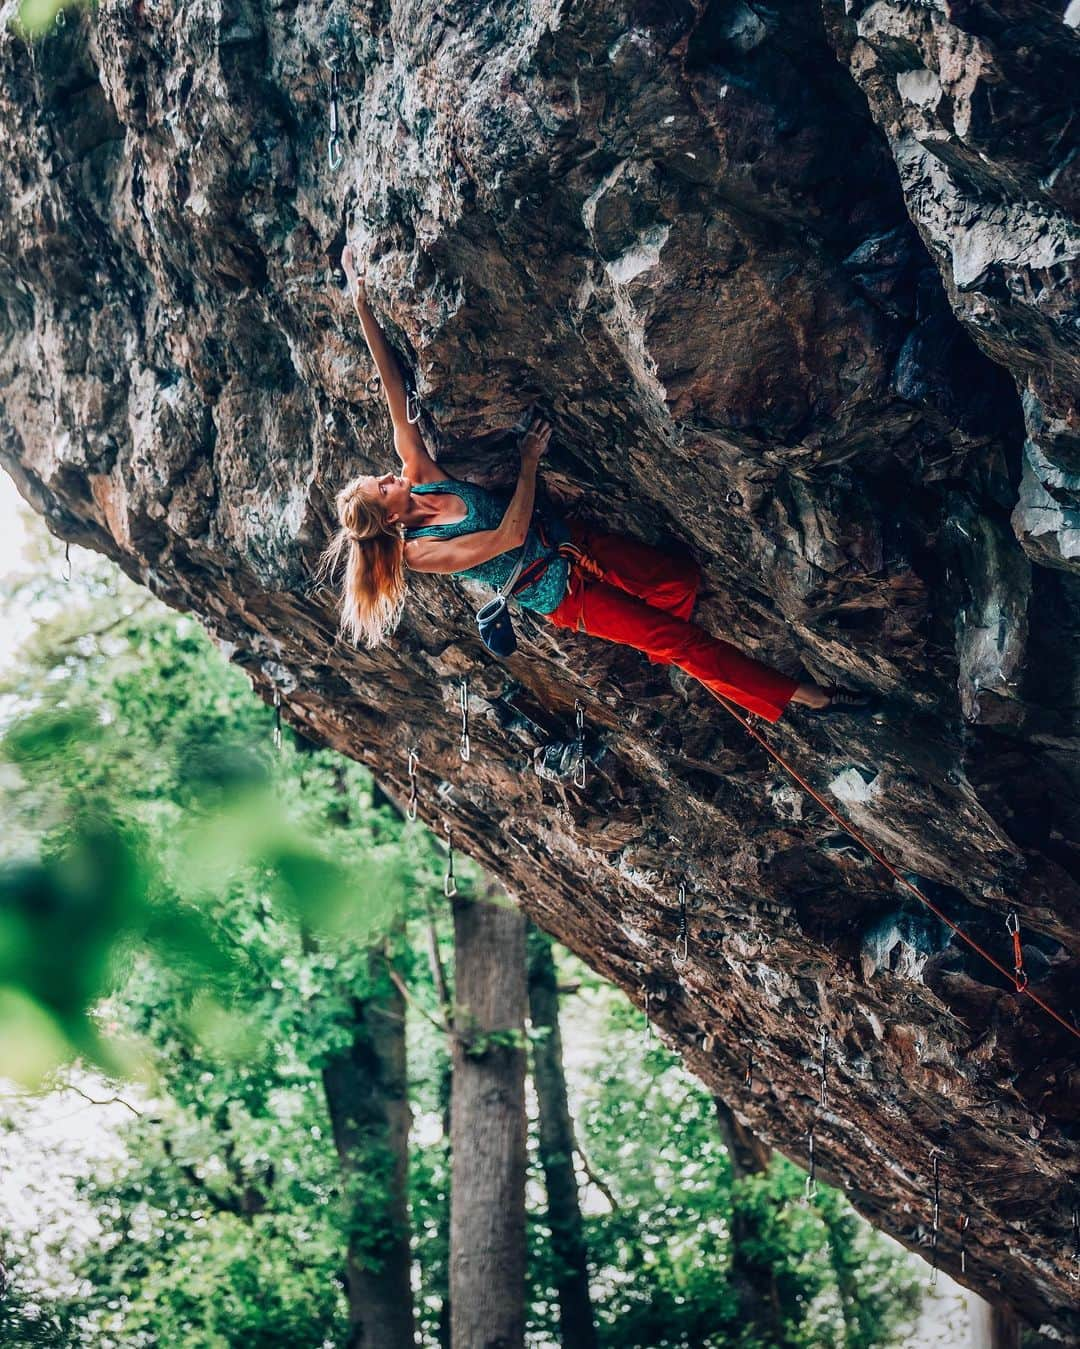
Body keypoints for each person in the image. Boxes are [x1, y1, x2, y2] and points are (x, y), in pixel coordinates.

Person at [318, 245, 867, 723]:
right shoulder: (422, 554)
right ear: (389, 516)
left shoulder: (419, 477)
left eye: (382, 476)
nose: (390, 476)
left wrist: (361, 304)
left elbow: (394, 392)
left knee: (678, 581)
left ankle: (659, 641)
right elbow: (507, 539)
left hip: (570, 539)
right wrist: (529, 462)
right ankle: (811, 699)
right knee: (683, 643)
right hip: (562, 593)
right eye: (382, 487)